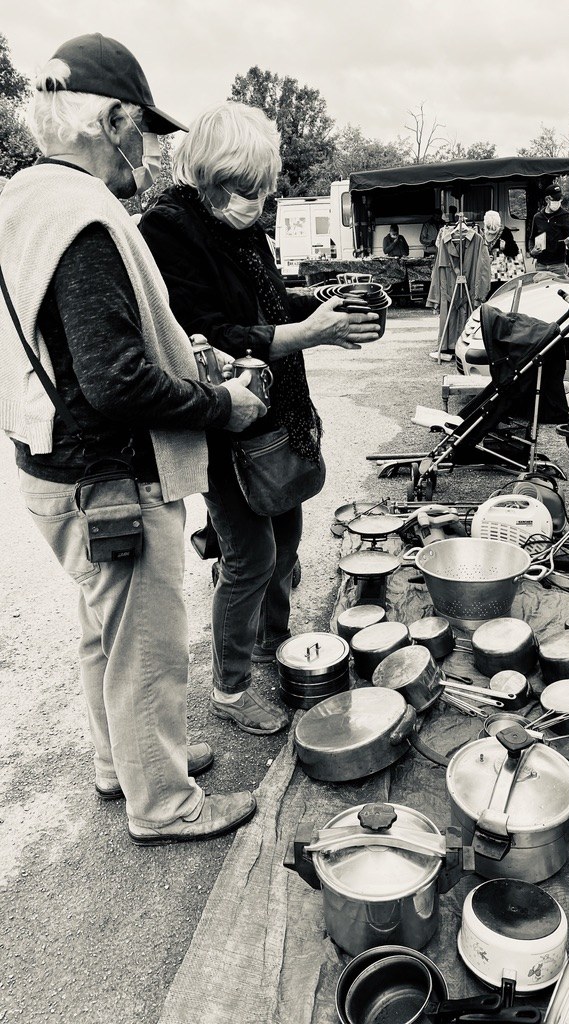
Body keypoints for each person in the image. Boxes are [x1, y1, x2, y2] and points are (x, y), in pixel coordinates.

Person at [0, 34, 267, 845]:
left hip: (52, 465)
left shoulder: (21, 198)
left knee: (102, 632)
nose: (150, 151)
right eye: (144, 131)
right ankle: (166, 805)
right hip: (108, 476)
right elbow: (116, 380)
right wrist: (220, 403)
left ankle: (125, 764)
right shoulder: (84, 216)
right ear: (109, 120)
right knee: (146, 648)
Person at [139, 102, 380, 736]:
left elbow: (269, 302)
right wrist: (305, 334)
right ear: (209, 173)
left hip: (276, 413)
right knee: (248, 555)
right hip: (226, 419)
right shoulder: (170, 230)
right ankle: (232, 687)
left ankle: (280, 644)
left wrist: (330, 310)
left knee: (288, 540)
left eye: (266, 189)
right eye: (248, 188)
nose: (259, 201)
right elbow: (206, 335)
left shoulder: (237, 226)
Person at [528, 184, 569, 276]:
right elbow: (531, 238)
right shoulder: (537, 217)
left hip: (558, 265)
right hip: (541, 264)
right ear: (547, 199)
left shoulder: (565, 216)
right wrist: (532, 251)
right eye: (555, 199)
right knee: (541, 289)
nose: (558, 202)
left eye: (559, 199)